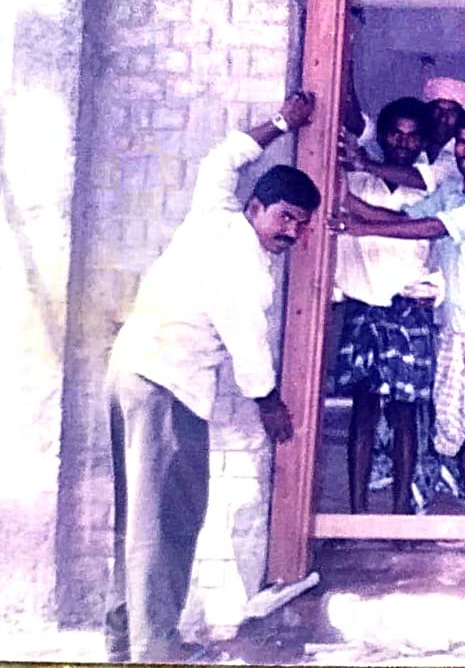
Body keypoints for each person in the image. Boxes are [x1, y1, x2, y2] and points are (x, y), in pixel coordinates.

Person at [104, 92, 318, 663]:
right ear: (256, 207)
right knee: (168, 521)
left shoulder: (212, 213)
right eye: (285, 217)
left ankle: (127, 640)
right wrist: (269, 404)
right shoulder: (245, 264)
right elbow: (249, 346)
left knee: (138, 516)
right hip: (167, 386)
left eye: (301, 225)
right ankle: (157, 649)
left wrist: (282, 123)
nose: (292, 232)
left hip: (130, 370)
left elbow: (222, 159)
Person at [342, 107, 465, 516]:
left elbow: (433, 228)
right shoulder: (453, 190)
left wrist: (364, 227)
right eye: (463, 143)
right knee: (461, 424)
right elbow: (406, 217)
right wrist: (347, 202)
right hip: (452, 325)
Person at [331, 96, 442, 514]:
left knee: (404, 415)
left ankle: (400, 513)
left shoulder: (433, 182)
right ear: (382, 135)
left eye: (413, 136)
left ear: (424, 141)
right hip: (365, 307)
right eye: (395, 133)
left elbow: (410, 225)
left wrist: (357, 212)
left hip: (409, 308)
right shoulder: (358, 179)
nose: (403, 142)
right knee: (362, 412)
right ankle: (358, 512)